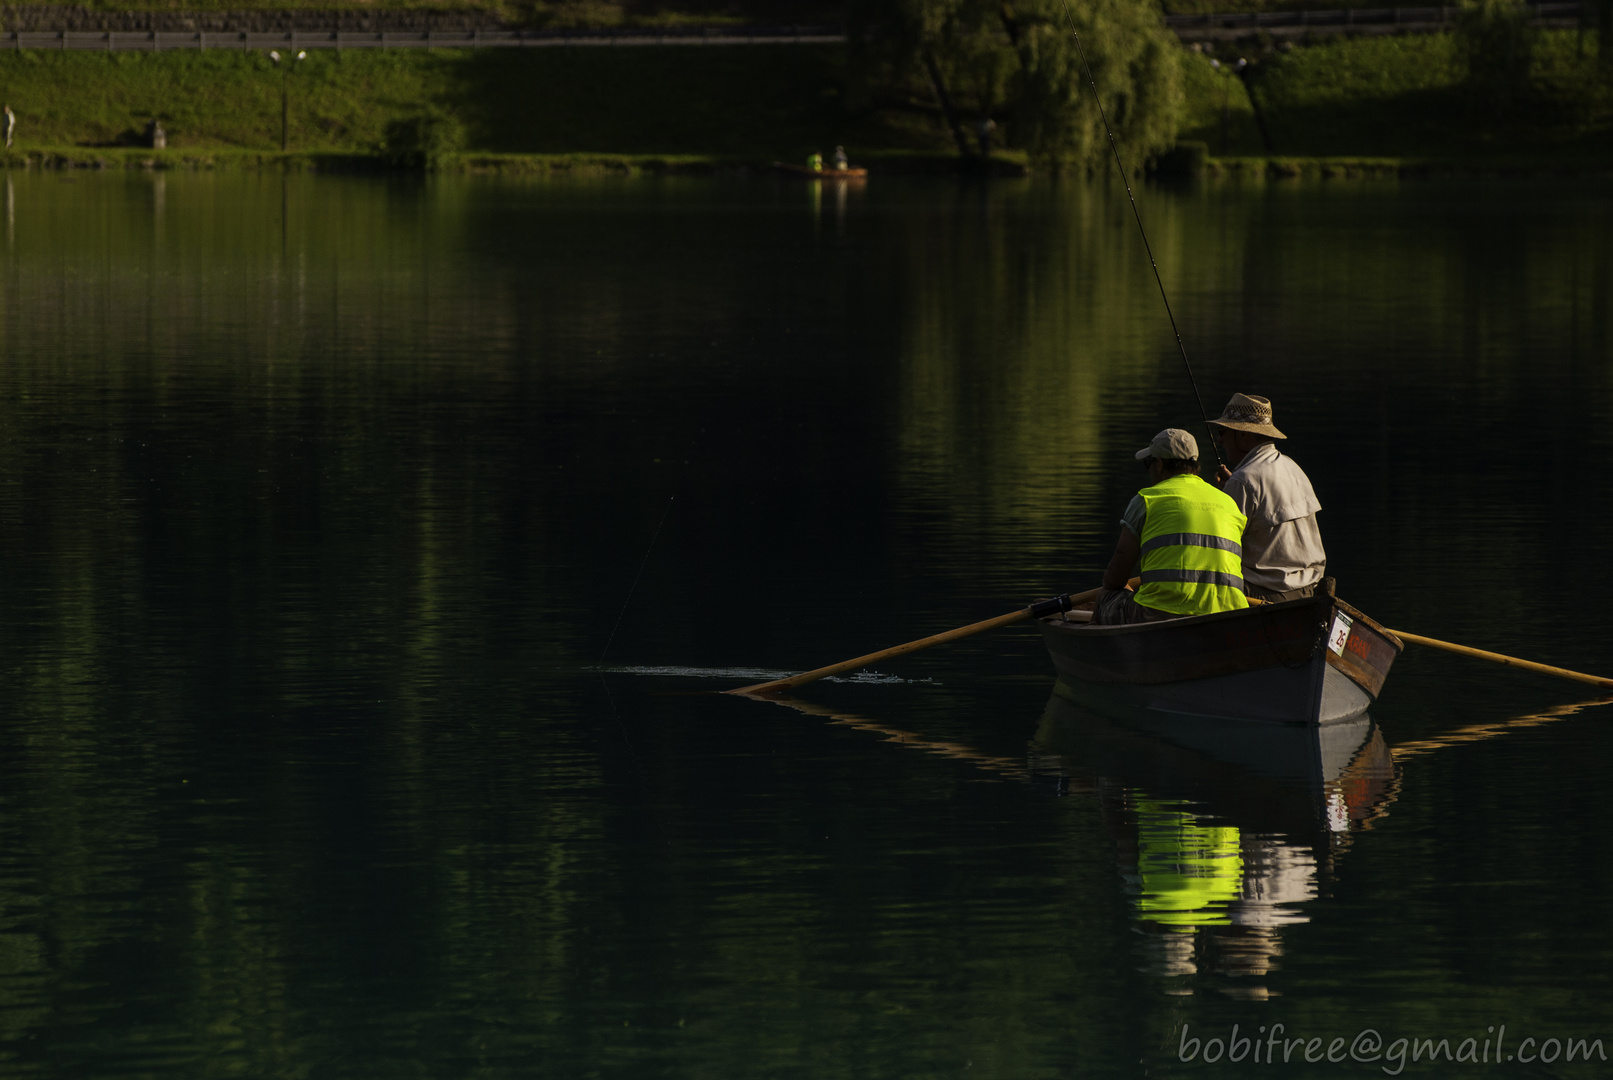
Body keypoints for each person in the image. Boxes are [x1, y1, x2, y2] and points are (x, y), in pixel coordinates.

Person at [1094, 428, 1249, 625]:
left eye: (1148, 464)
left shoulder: (1147, 499)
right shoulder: (1229, 502)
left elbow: (1115, 577)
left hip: (1159, 613)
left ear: (1158, 464)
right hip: (1230, 613)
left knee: (1106, 595)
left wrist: (1107, 591)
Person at [1208, 393, 1326, 602]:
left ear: (1243, 435)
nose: (1219, 439)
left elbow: (1220, 549)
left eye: (1223, 432)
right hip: (1309, 590)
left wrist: (1228, 492)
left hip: (1267, 595)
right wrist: (1232, 488)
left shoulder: (1243, 481)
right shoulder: (1292, 467)